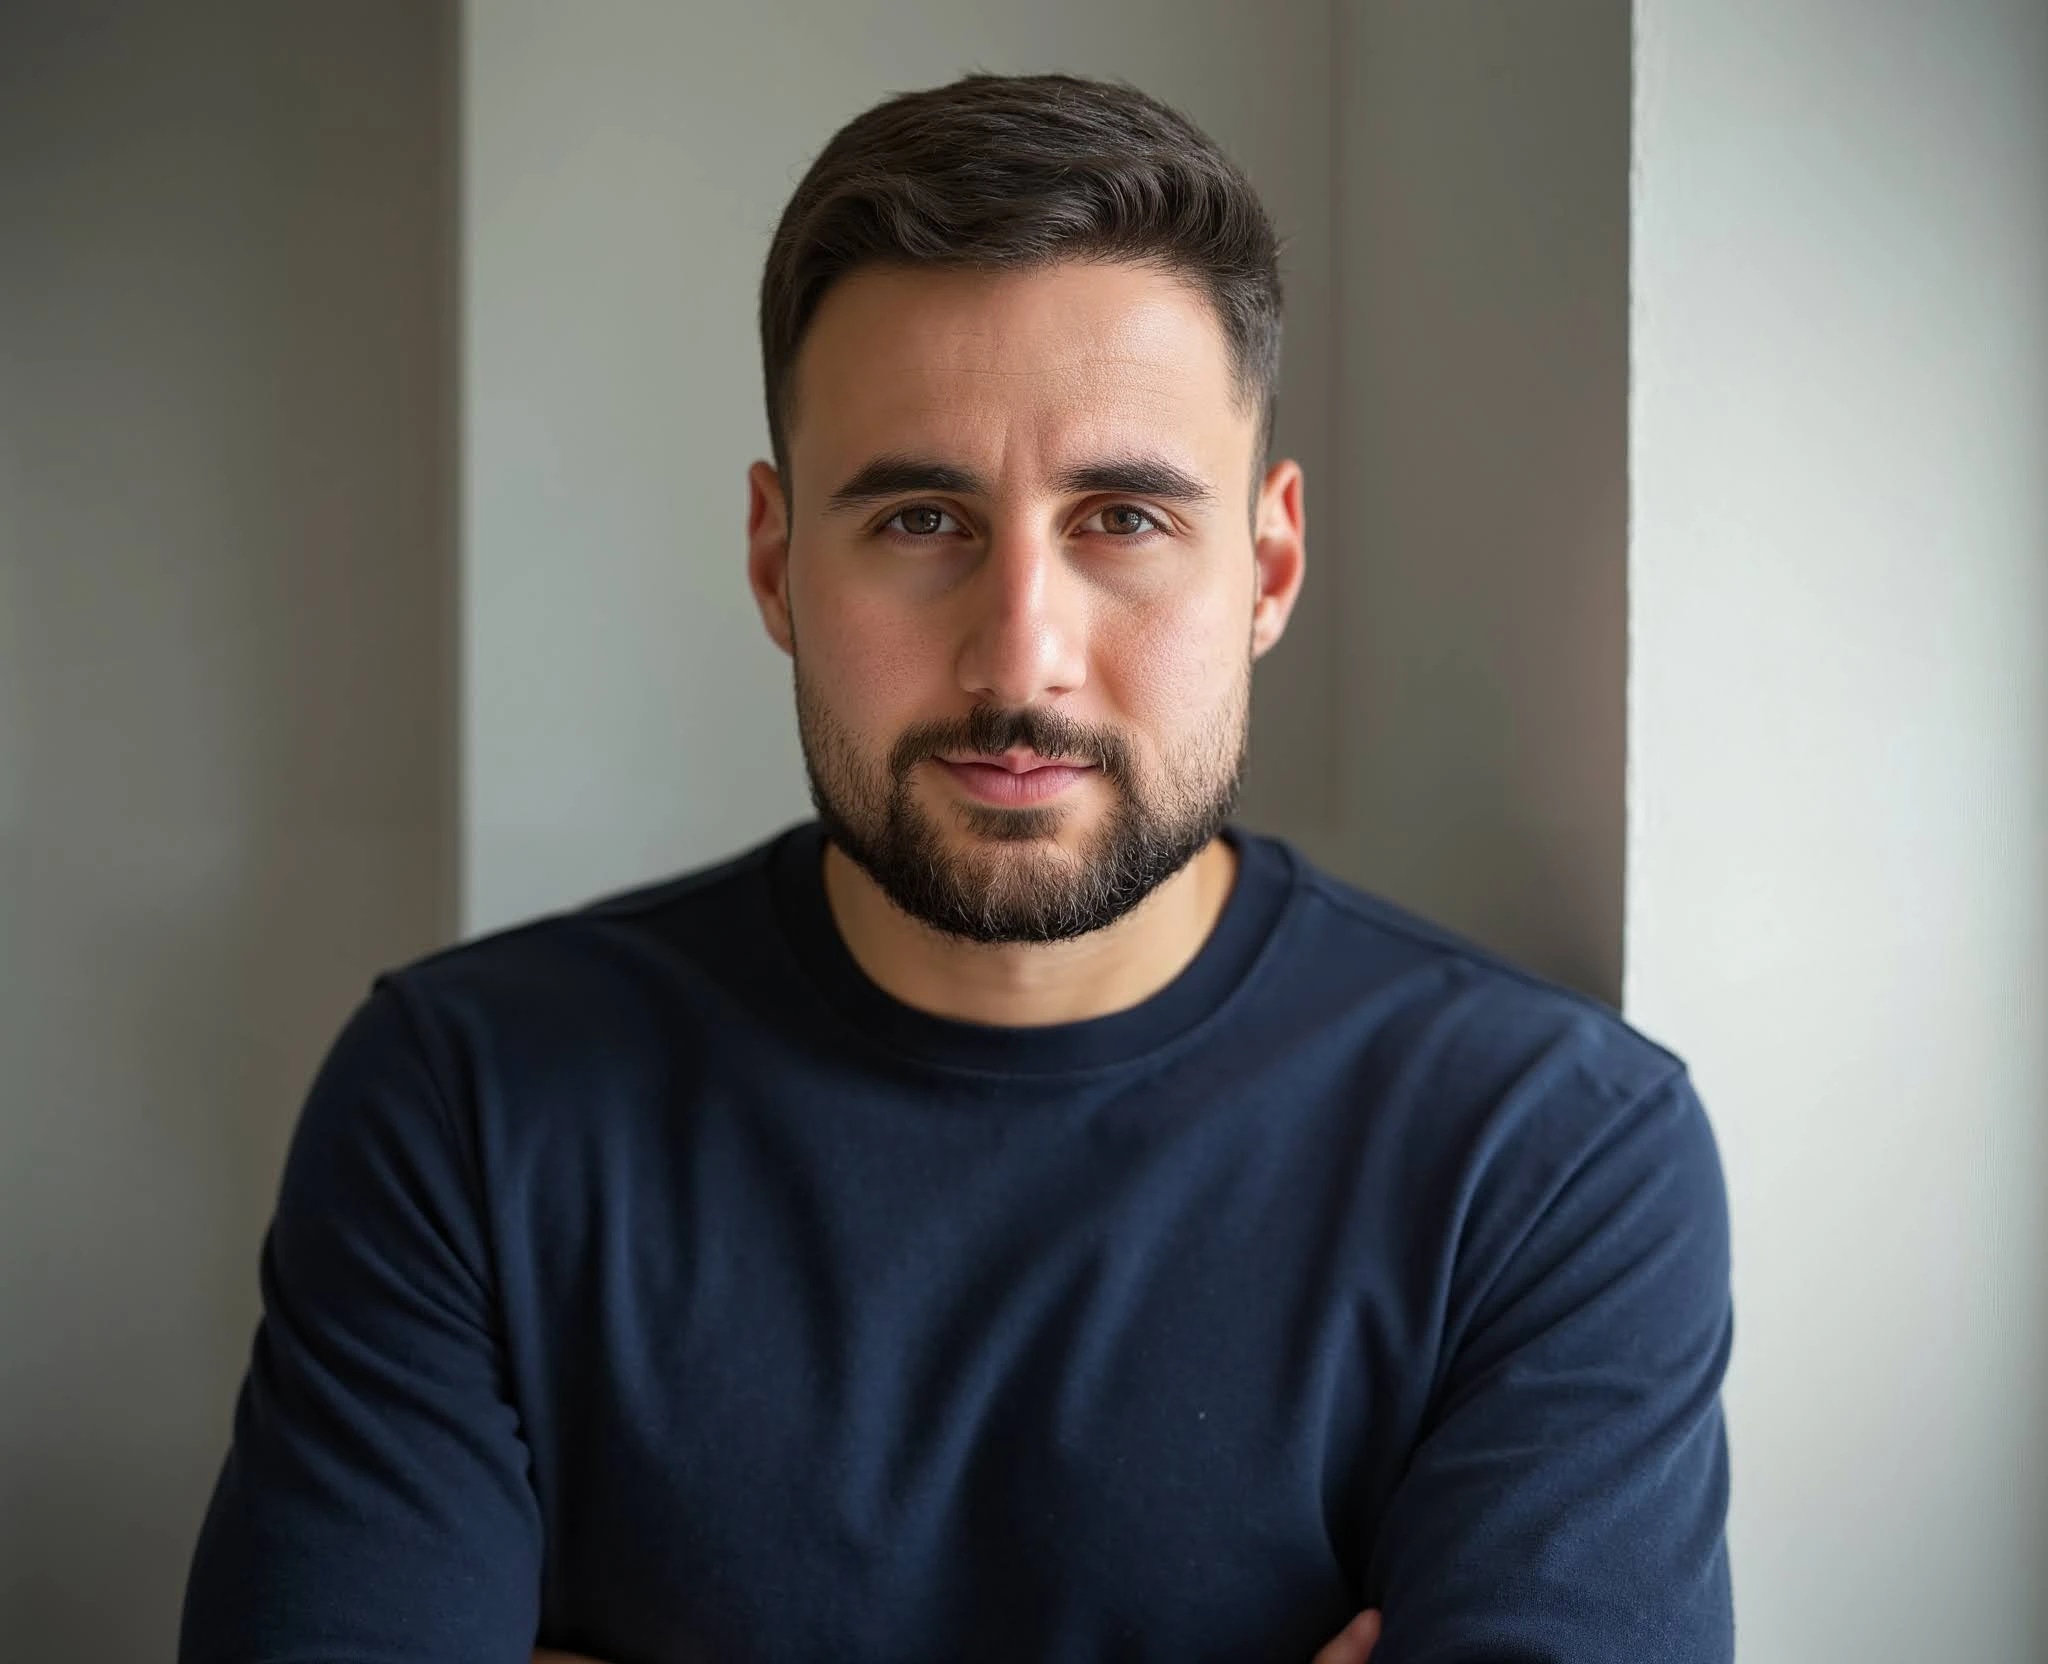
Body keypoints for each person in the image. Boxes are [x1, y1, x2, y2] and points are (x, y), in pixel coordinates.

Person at [179, 72, 1733, 1664]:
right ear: (778, 561)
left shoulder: (1548, 1158)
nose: (1021, 657)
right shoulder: (466, 1106)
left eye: (1122, 517)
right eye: (923, 518)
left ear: (1267, 567)